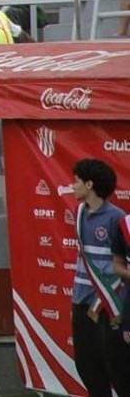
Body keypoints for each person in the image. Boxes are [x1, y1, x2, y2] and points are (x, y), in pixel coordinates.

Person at [69, 158, 130, 397]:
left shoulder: (117, 218)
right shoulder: (79, 213)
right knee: (87, 365)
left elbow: (123, 263)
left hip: (111, 304)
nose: (72, 186)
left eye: (76, 181)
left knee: (118, 367)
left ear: (90, 184)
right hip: (81, 301)